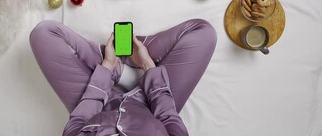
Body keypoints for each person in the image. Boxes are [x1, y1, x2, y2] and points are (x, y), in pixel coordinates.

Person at [29, 19, 217, 136]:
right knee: (202, 33)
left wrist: (107, 68)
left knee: (44, 33)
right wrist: (147, 65)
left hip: (97, 103)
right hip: (151, 104)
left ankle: (115, 61)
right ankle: (136, 54)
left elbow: (79, 120)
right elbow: (167, 117)